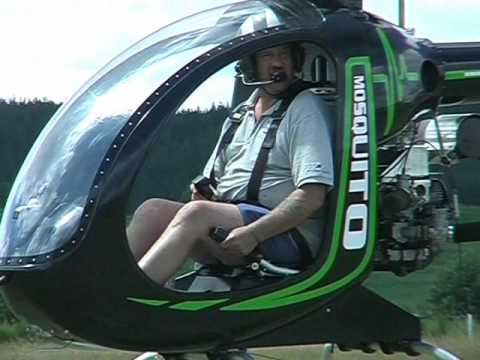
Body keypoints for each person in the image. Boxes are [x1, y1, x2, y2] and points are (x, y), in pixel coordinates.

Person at [127, 43, 334, 286]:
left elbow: (312, 196)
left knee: (196, 214)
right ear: (251, 66)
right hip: (232, 227)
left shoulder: (304, 107)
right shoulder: (240, 115)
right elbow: (208, 184)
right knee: (152, 211)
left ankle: (130, 298)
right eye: (268, 54)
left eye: (284, 55)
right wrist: (203, 196)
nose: (277, 63)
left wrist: (254, 233)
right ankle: (111, 292)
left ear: (296, 61)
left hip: (283, 234)